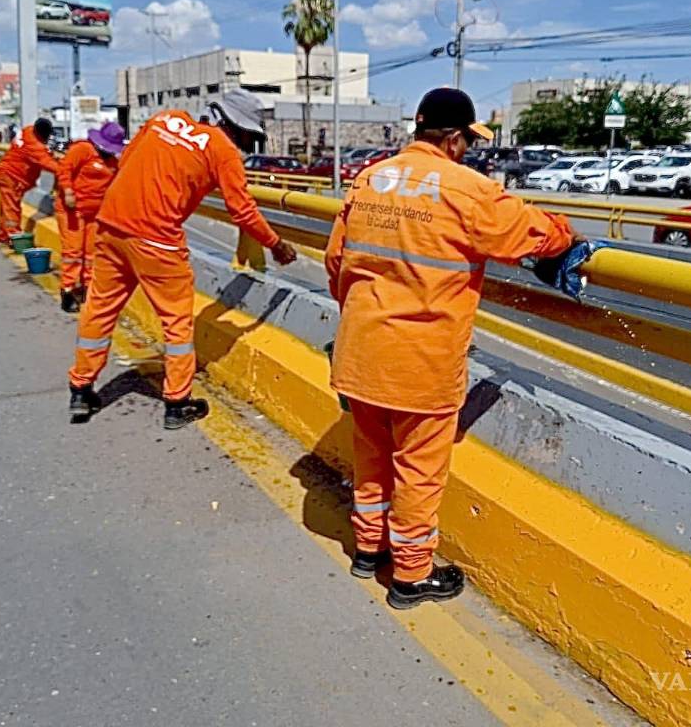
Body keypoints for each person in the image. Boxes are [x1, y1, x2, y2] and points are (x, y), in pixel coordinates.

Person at [325, 87, 584, 610]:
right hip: (421, 362)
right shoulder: (468, 190)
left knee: (371, 454)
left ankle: (367, 550)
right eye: (468, 138)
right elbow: (534, 236)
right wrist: (565, 236)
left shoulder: (369, 179)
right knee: (418, 470)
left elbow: (336, 263)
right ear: (454, 138)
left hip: (361, 350)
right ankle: (411, 577)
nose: (470, 148)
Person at [68, 90, 299, 429]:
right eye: (247, 137)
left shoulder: (164, 119)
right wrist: (276, 244)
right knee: (176, 322)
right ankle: (177, 402)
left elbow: (126, 161)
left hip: (110, 226)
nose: (245, 146)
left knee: (99, 309)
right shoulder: (223, 152)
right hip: (158, 240)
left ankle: (80, 388)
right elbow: (243, 210)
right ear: (232, 125)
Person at [55, 122, 125, 313]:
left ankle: (87, 287)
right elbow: (64, 170)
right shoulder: (82, 149)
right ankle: (68, 290)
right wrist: (68, 192)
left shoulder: (112, 162)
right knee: (73, 252)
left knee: (92, 252)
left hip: (95, 213)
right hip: (72, 210)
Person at [0, 118, 58, 244]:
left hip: (6, 171)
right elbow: (53, 167)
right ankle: (14, 237)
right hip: (13, 176)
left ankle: (3, 234)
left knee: (6, 207)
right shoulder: (36, 148)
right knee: (12, 208)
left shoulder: (28, 130)